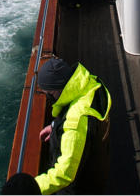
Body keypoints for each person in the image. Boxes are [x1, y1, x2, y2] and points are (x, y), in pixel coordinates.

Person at [33, 58, 111, 195]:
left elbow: (65, 174)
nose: (47, 98)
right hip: (94, 165)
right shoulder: (87, 85)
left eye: (47, 94)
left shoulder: (75, 123)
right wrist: (55, 126)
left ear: (54, 92)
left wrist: (32, 188)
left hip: (80, 186)